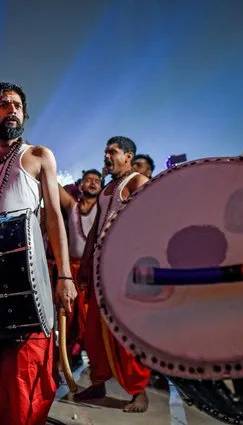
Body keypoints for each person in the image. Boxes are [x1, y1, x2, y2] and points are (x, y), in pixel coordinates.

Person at [0, 82, 77, 425]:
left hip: (26, 273)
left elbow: (54, 217)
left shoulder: (39, 156)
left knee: (23, 368)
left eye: (17, 105)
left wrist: (65, 275)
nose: (11, 109)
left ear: (24, 114)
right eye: (2, 104)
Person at [76, 136, 151, 413]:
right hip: (99, 269)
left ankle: (139, 392)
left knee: (126, 333)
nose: (107, 156)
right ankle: (98, 383)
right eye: (106, 151)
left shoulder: (137, 182)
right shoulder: (109, 188)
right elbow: (96, 228)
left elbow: (147, 223)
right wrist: (85, 262)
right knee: (94, 330)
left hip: (123, 270)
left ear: (129, 156)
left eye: (113, 152)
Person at [58, 169, 102, 364]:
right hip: (72, 271)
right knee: (69, 316)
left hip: (93, 273)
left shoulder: (103, 209)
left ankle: (96, 362)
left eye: (96, 181)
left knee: (91, 321)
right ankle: (68, 358)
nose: (92, 183)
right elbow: (53, 184)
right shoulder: (72, 206)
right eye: (88, 180)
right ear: (81, 185)